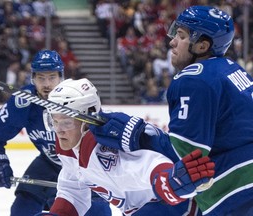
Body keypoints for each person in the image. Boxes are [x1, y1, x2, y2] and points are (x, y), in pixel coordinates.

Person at [89, 5, 253, 216]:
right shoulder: (232, 68)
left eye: (181, 36)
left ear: (202, 46)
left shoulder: (195, 78)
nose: (172, 41)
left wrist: (137, 135)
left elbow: (186, 155)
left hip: (237, 190)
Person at [41, 78, 214, 216]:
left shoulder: (101, 147)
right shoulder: (69, 148)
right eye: (54, 122)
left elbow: (146, 165)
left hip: (172, 206)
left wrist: (168, 179)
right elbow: (73, 188)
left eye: (66, 122)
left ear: (87, 119)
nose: (59, 130)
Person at [0, 50, 111, 216]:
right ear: (33, 78)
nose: (46, 84)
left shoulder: (78, 97)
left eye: (52, 77)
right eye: (41, 78)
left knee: (97, 211)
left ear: (61, 77)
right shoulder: (23, 102)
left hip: (83, 167)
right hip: (49, 163)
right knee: (21, 210)